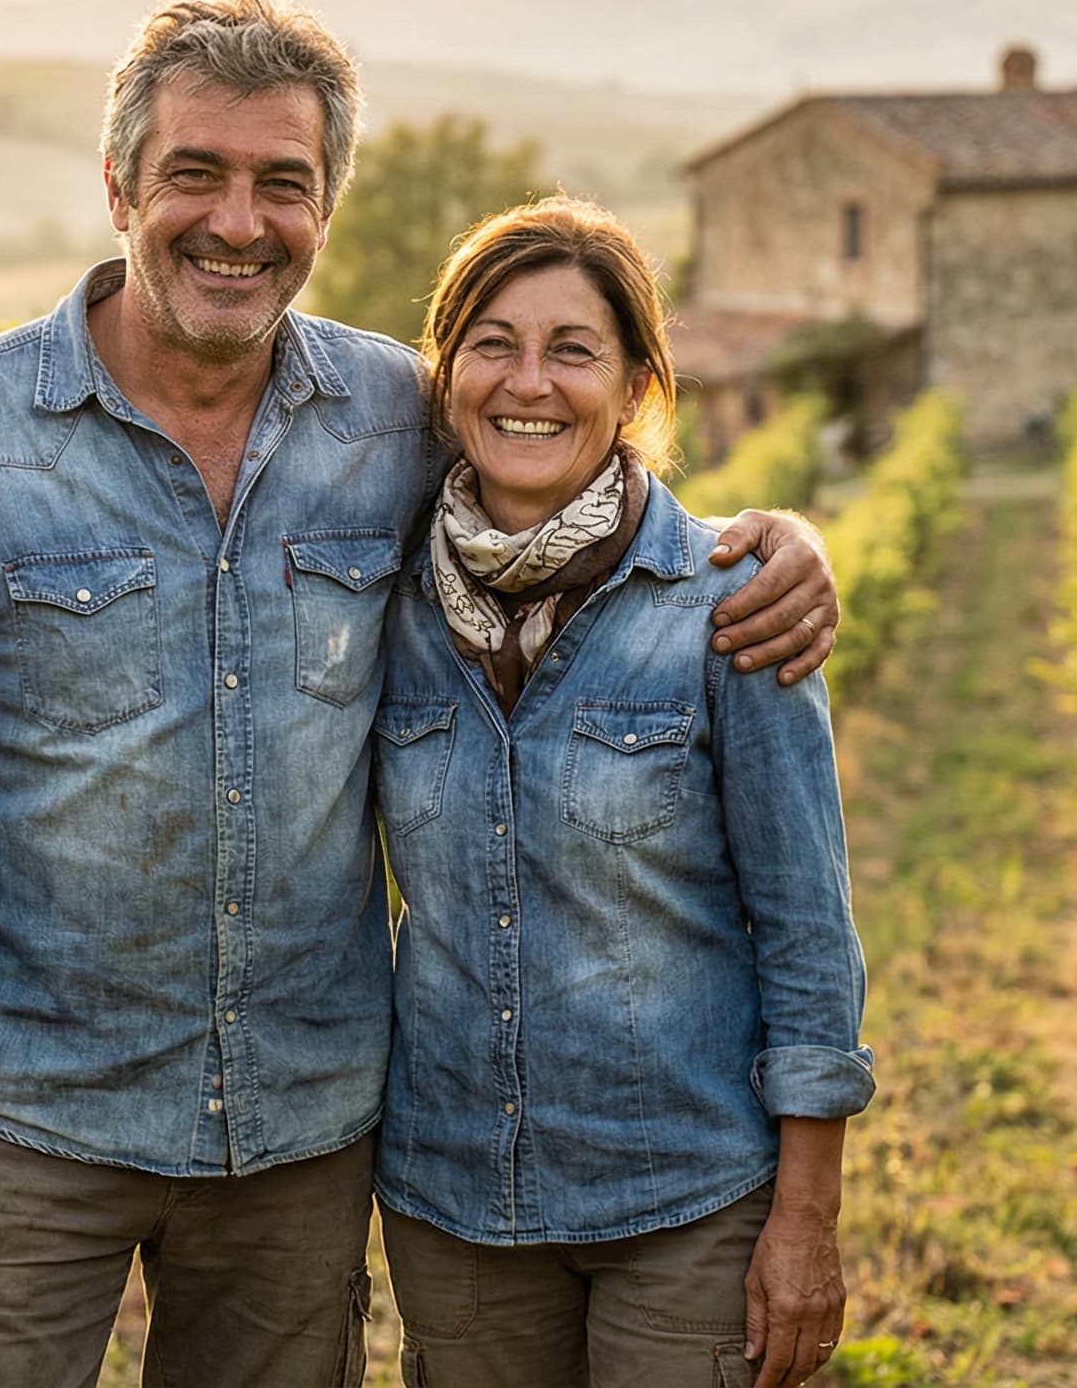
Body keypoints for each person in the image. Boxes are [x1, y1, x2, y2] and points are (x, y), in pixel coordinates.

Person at [0, 0, 839, 1388]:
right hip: (28, 1115)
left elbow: (576, 486)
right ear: (117, 188)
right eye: (193, 174)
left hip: (299, 1135)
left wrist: (771, 545)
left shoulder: (395, 415)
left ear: (325, 205)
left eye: (284, 183)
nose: (237, 220)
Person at [371, 197, 872, 1388]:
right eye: (491, 342)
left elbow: (806, 936)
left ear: (639, 384)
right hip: (452, 1203)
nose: (527, 381)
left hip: (683, 1198)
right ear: (444, 378)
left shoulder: (728, 607)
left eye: (572, 349)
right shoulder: (375, 607)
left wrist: (804, 1224)